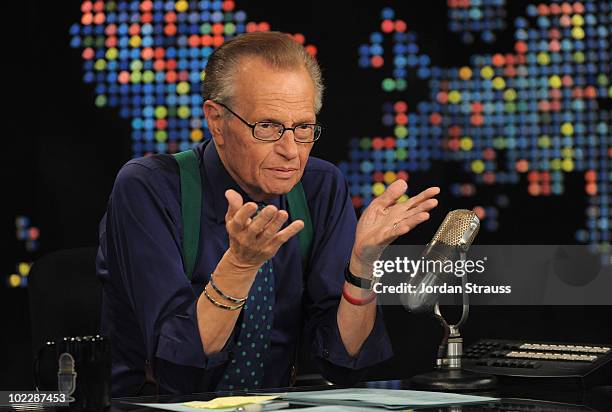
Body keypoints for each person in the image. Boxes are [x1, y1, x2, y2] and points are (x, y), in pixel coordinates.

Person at [96, 31, 440, 396]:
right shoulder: (148, 188)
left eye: (304, 128)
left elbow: (344, 363)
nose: (291, 150)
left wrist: (363, 265)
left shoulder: (320, 187)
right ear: (216, 120)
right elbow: (179, 370)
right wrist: (239, 267)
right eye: (268, 127)